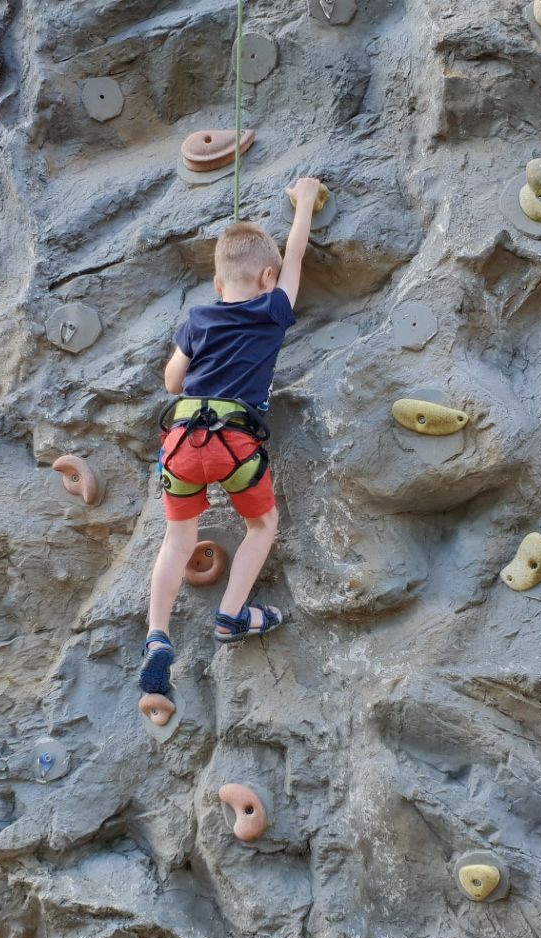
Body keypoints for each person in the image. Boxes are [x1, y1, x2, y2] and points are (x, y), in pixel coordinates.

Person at [139, 177, 323, 704]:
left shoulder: (198, 318)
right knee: (262, 525)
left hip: (181, 441)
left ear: (218, 283)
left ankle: (157, 636)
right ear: (267, 277)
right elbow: (295, 255)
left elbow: (172, 381)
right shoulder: (272, 311)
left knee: (176, 541)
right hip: (235, 443)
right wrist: (304, 202)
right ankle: (231, 615)